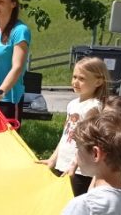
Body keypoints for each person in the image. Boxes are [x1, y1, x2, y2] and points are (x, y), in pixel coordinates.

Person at [38, 57, 111, 196]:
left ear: (98, 82)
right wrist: (53, 159)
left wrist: (74, 164)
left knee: (72, 208)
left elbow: (87, 141)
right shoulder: (73, 104)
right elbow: (66, 135)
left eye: (82, 79)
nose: (75, 82)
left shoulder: (94, 107)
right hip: (63, 164)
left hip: (80, 171)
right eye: (74, 77)